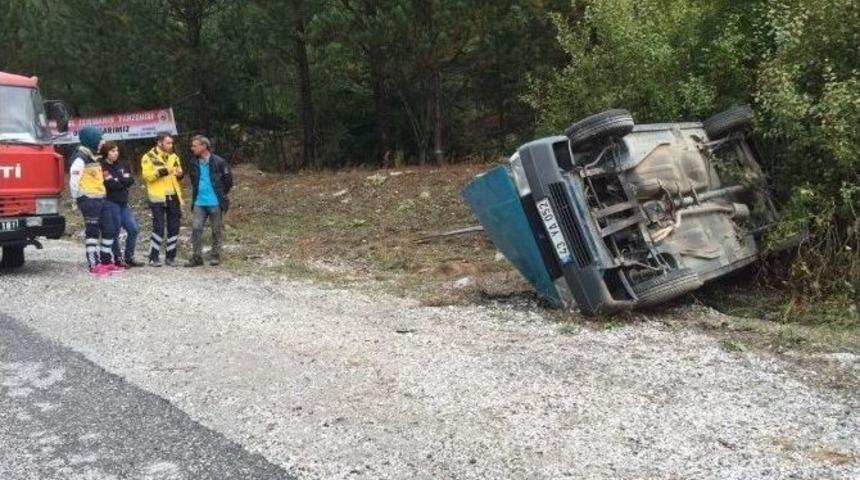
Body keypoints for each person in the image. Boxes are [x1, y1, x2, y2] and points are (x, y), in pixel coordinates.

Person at [68, 126, 119, 276]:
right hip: (88, 199)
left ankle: (105, 261)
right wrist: (77, 198)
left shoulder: (93, 156)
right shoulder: (79, 158)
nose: (101, 142)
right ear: (91, 139)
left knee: (109, 230)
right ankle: (93, 264)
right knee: (92, 232)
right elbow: (74, 181)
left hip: (101, 198)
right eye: (99, 139)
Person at [185, 135, 233, 267]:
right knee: (196, 229)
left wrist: (220, 194)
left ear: (204, 146)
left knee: (216, 230)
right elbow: (193, 180)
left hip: (215, 202)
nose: (192, 148)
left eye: (195, 145)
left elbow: (228, 182)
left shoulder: (219, 162)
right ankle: (197, 257)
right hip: (199, 202)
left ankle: (215, 255)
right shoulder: (193, 162)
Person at [141, 132, 183, 267]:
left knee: (174, 227)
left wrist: (179, 174)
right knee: (158, 227)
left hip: (173, 196)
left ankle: (170, 257)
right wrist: (162, 172)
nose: (170, 146)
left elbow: (179, 172)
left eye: (171, 143)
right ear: (159, 143)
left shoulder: (174, 156)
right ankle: (153, 257)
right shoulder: (149, 157)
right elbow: (147, 176)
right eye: (168, 143)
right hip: (157, 196)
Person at [100, 141, 143, 267]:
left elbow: (130, 180)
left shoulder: (122, 164)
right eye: (112, 151)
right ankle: (118, 259)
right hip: (110, 202)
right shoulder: (102, 166)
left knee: (133, 229)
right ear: (106, 153)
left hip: (123, 202)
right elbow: (110, 184)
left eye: (117, 151)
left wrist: (119, 180)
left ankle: (129, 256)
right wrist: (121, 180)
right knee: (115, 231)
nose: (115, 153)